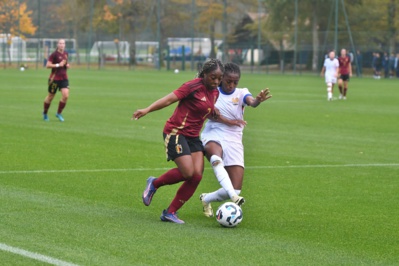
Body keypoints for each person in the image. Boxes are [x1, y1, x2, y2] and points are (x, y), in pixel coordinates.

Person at [133, 58, 224, 224]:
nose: (217, 82)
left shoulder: (216, 92)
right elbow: (168, 99)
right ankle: (154, 183)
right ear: (204, 74)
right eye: (213, 77)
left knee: (196, 176)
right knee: (188, 172)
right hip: (176, 132)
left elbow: (204, 108)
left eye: (219, 78)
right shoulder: (192, 86)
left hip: (193, 136)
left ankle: (170, 212)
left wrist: (214, 110)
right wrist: (147, 109)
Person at [199, 62, 272, 217]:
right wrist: (229, 121)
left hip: (234, 138)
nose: (231, 85)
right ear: (221, 78)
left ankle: (207, 198)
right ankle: (233, 197)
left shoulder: (241, 92)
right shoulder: (212, 92)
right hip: (213, 132)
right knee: (215, 157)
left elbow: (251, 102)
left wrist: (257, 100)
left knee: (236, 187)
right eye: (228, 81)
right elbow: (208, 114)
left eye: (235, 82)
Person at [42, 39, 70, 122]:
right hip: (54, 79)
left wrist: (66, 65)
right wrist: (58, 64)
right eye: (60, 43)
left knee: (66, 96)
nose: (62, 45)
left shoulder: (66, 53)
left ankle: (58, 113)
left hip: (64, 78)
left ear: (65, 45)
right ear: (57, 45)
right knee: (50, 97)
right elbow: (47, 65)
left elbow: (64, 64)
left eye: (63, 43)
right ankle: (45, 113)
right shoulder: (54, 55)